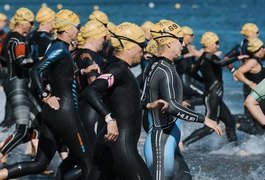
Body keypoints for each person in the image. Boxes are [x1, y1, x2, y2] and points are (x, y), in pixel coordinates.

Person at [0, 9, 94, 180]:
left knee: (40, 163)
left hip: (53, 113)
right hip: (65, 112)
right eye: (77, 26)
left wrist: (82, 71)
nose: (80, 29)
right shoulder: (59, 48)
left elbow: (61, 75)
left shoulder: (58, 46)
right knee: (88, 162)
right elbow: (36, 69)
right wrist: (44, 95)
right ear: (67, 30)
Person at [143, 20, 223, 180]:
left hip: (170, 137)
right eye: (179, 41)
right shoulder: (163, 70)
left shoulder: (159, 65)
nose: (182, 45)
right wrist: (205, 119)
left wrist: (149, 104)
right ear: (169, 43)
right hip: (161, 143)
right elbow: (172, 106)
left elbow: (140, 94)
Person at [82, 22, 153, 180]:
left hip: (107, 144)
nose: (144, 49)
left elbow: (123, 102)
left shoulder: (115, 66)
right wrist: (109, 118)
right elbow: (90, 90)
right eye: (142, 44)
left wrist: (147, 105)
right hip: (120, 146)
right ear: (128, 46)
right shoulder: (118, 70)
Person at [183, 32, 245, 147]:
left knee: (230, 121)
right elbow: (221, 63)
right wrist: (237, 57)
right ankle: (183, 144)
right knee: (209, 128)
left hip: (215, 96)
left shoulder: (202, 58)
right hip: (213, 97)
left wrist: (206, 82)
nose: (218, 46)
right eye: (216, 43)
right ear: (210, 43)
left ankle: (234, 148)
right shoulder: (210, 56)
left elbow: (192, 73)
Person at [0, 7, 36, 163]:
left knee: (36, 121)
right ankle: (2, 153)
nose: (32, 26)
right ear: (23, 22)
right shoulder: (19, 39)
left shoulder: (8, 37)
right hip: (18, 84)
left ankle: (39, 160)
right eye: (31, 22)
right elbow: (22, 61)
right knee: (22, 129)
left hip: (10, 82)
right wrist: (42, 61)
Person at [234, 38, 265, 134]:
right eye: (263, 47)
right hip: (257, 94)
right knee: (258, 126)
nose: (264, 49)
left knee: (257, 123)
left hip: (259, 93)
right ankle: (235, 124)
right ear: (258, 50)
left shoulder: (257, 59)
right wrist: (249, 83)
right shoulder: (252, 62)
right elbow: (238, 73)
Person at [175, 26, 204, 108]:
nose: (193, 37)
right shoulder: (180, 48)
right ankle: (183, 103)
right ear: (184, 36)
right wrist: (189, 55)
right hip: (184, 81)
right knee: (206, 97)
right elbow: (175, 59)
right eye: (191, 35)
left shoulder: (189, 47)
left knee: (190, 109)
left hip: (189, 80)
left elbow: (192, 67)